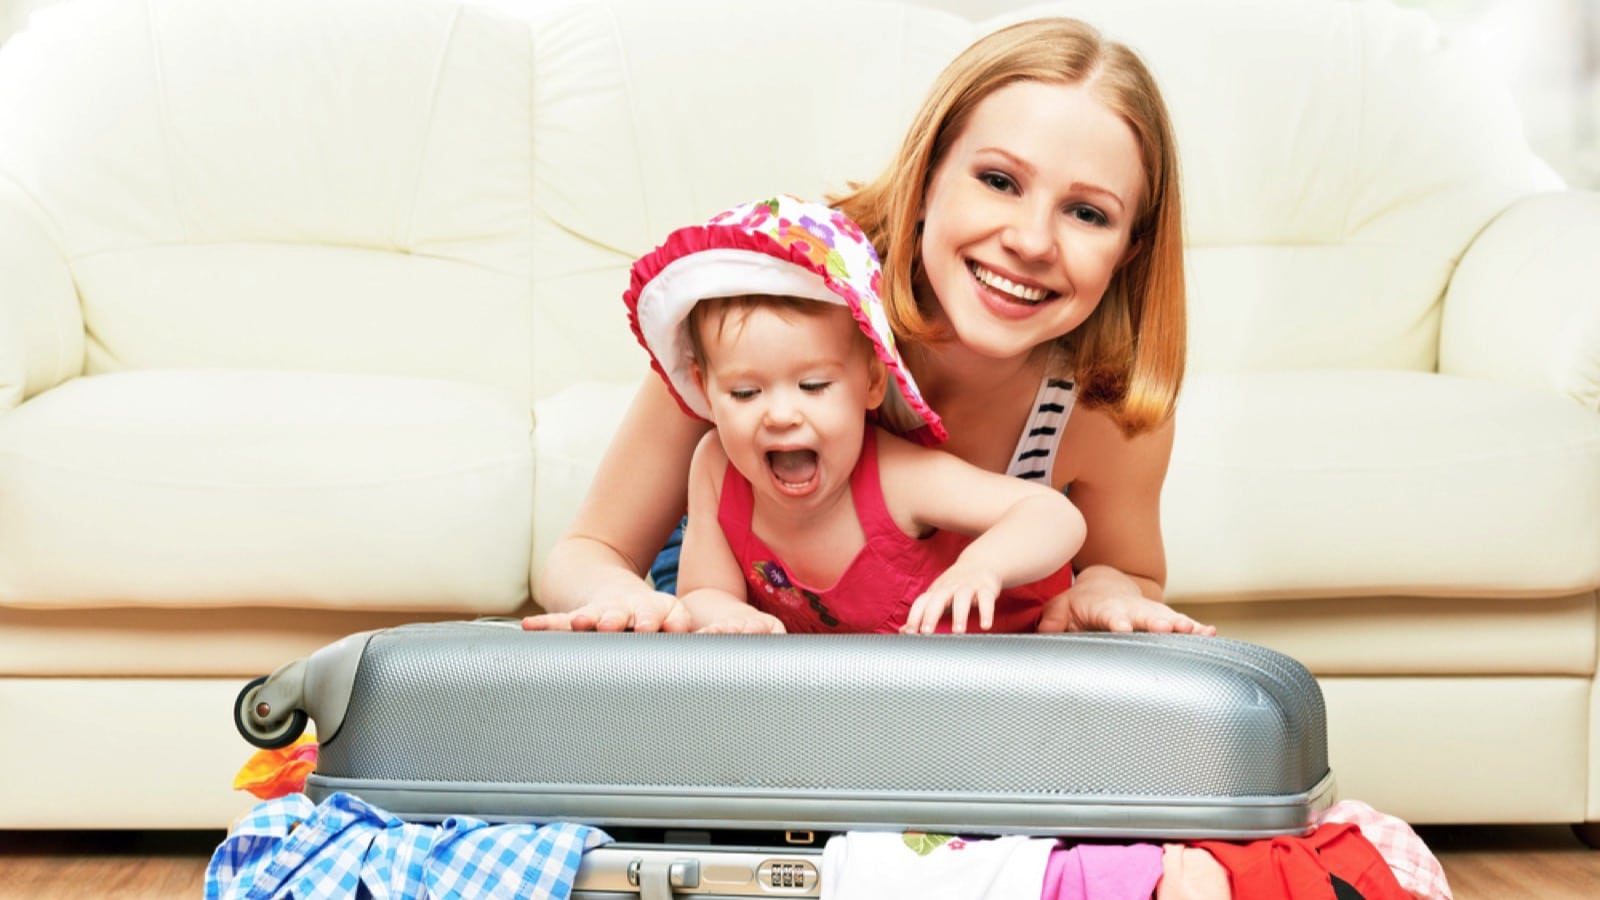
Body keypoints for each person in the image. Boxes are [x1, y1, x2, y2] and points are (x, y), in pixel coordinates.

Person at [526, 16, 1214, 637]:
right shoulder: (782, 301)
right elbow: (590, 552)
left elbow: (1128, 571)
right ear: (927, 179)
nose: (1032, 241)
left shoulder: (1105, 406)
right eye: (999, 181)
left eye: (1088, 214)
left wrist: (1104, 588)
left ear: (1131, 250)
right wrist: (630, 602)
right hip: (745, 617)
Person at [620, 195, 1086, 634]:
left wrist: (982, 566)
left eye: (814, 386)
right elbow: (702, 591)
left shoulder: (894, 478)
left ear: (872, 382)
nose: (781, 414)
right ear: (704, 388)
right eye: (745, 393)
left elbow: (1053, 516)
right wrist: (734, 618)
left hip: (995, 667)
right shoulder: (715, 468)